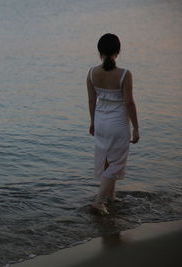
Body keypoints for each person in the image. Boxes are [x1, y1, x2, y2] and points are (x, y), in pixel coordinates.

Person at [86, 33, 140, 215]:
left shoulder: (92, 73)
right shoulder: (124, 74)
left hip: (101, 120)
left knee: (108, 160)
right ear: (118, 51)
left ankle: (111, 197)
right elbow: (129, 103)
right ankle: (99, 202)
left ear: (99, 51)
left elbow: (91, 100)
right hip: (118, 123)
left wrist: (93, 122)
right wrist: (136, 128)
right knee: (116, 162)